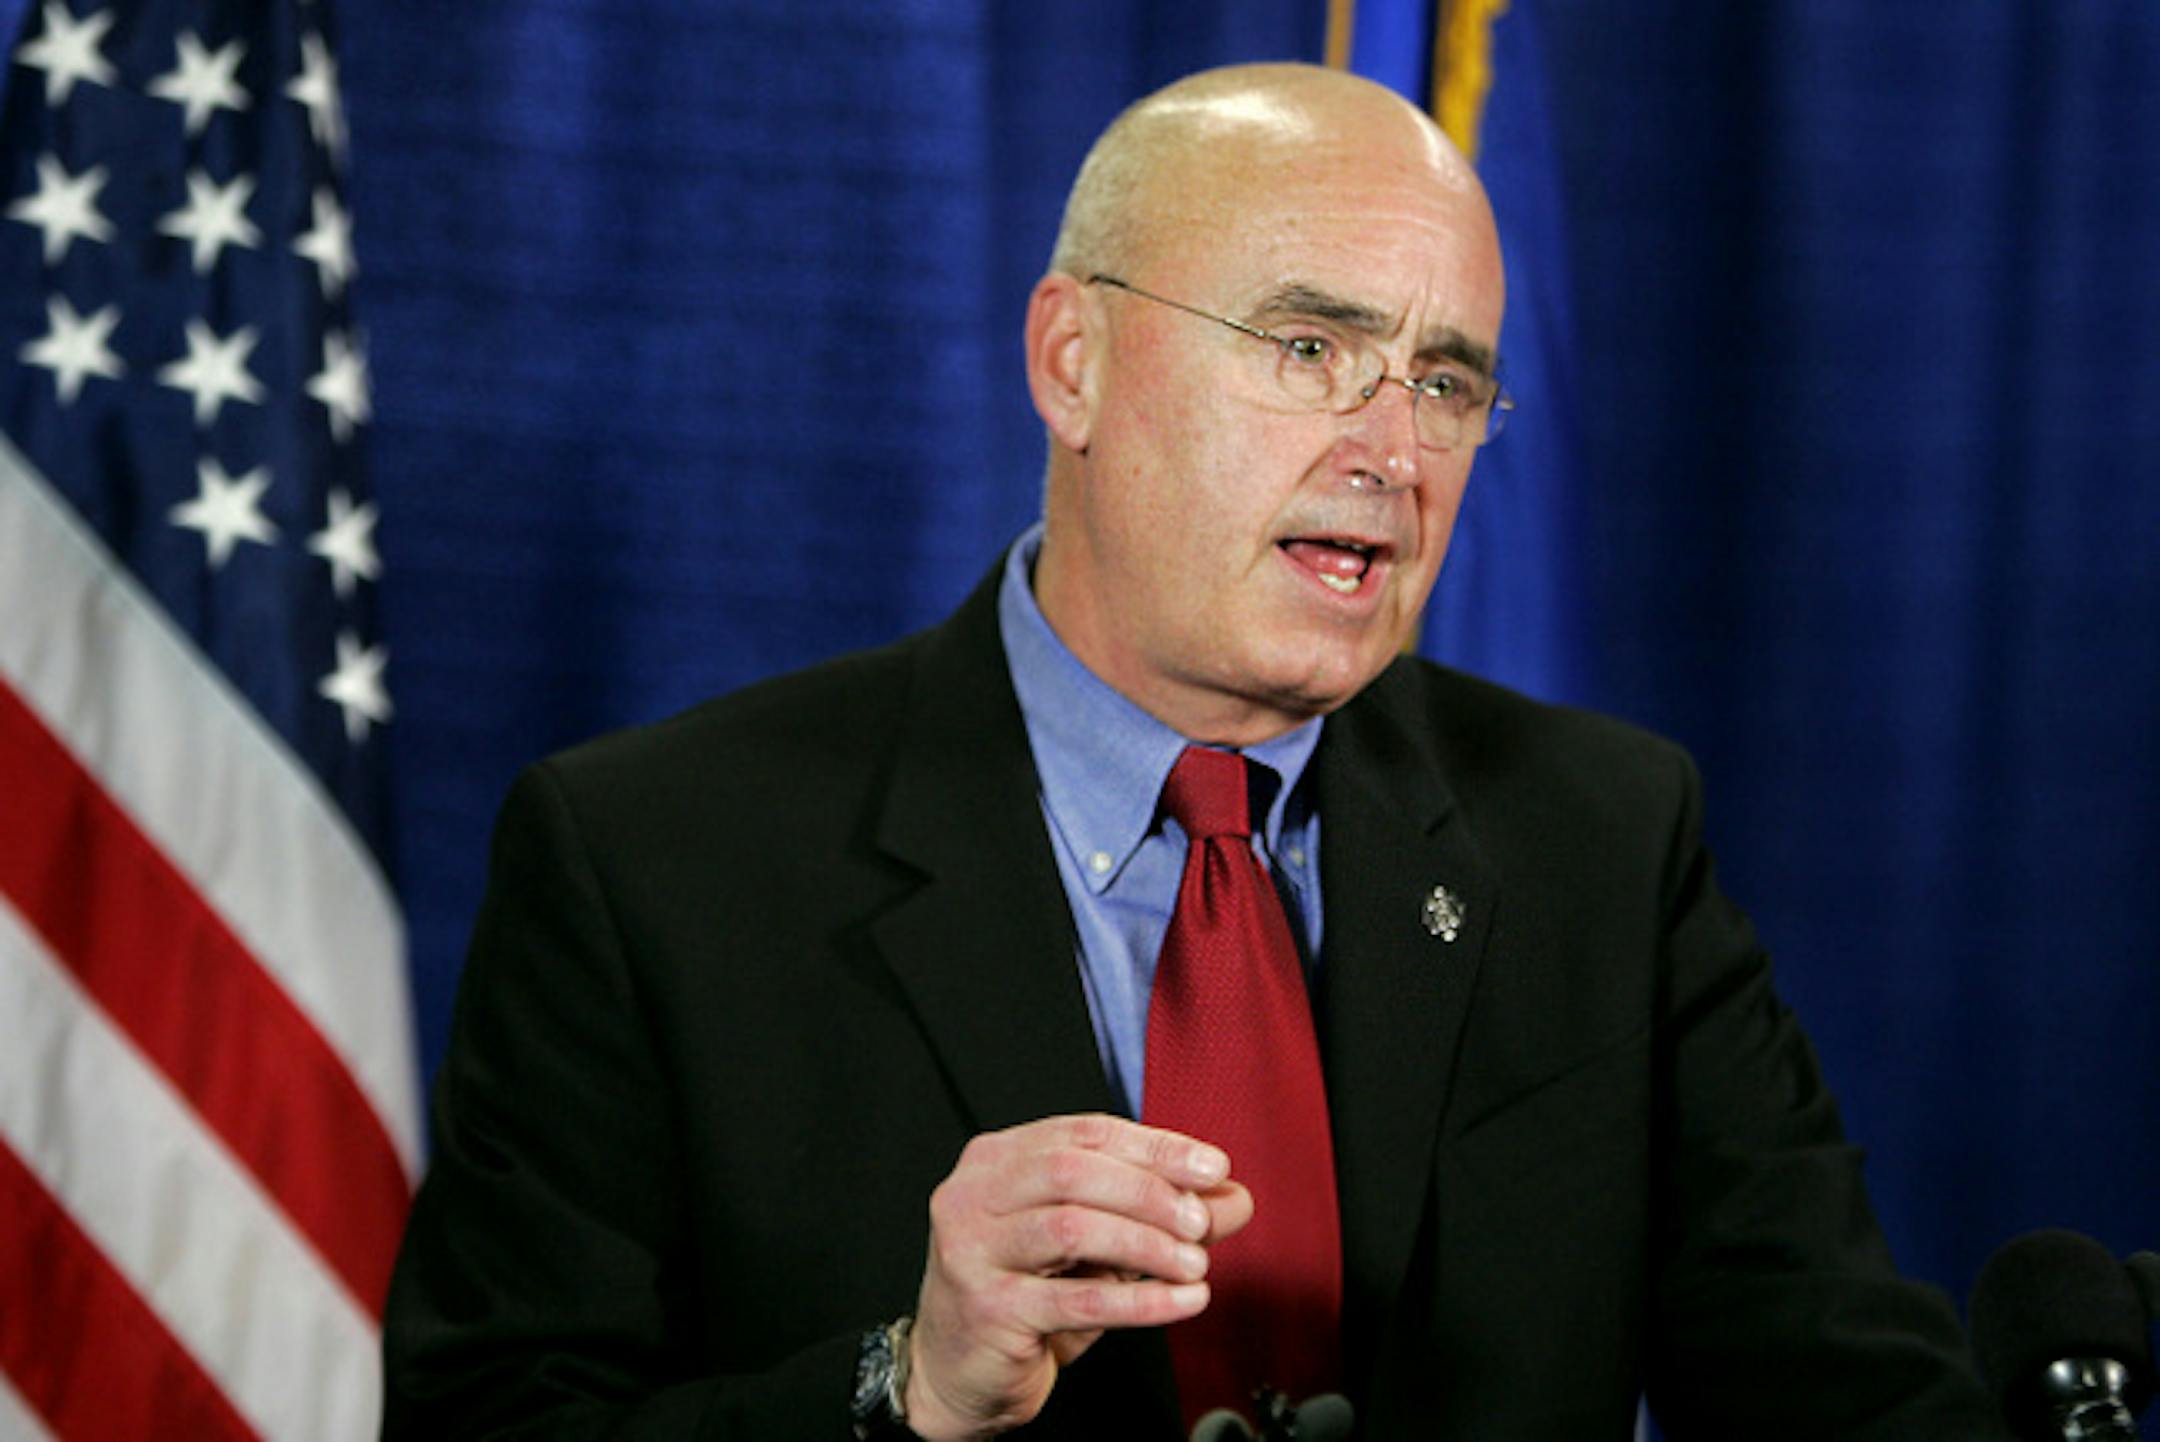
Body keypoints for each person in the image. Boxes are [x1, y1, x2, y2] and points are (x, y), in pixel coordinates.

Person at [382, 63, 2009, 1440]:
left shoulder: (1599, 837)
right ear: (1072, 361)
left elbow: (1844, 1390)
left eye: (1447, 381)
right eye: (1311, 349)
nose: (1391, 451)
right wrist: (908, 1384)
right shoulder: (656, 863)